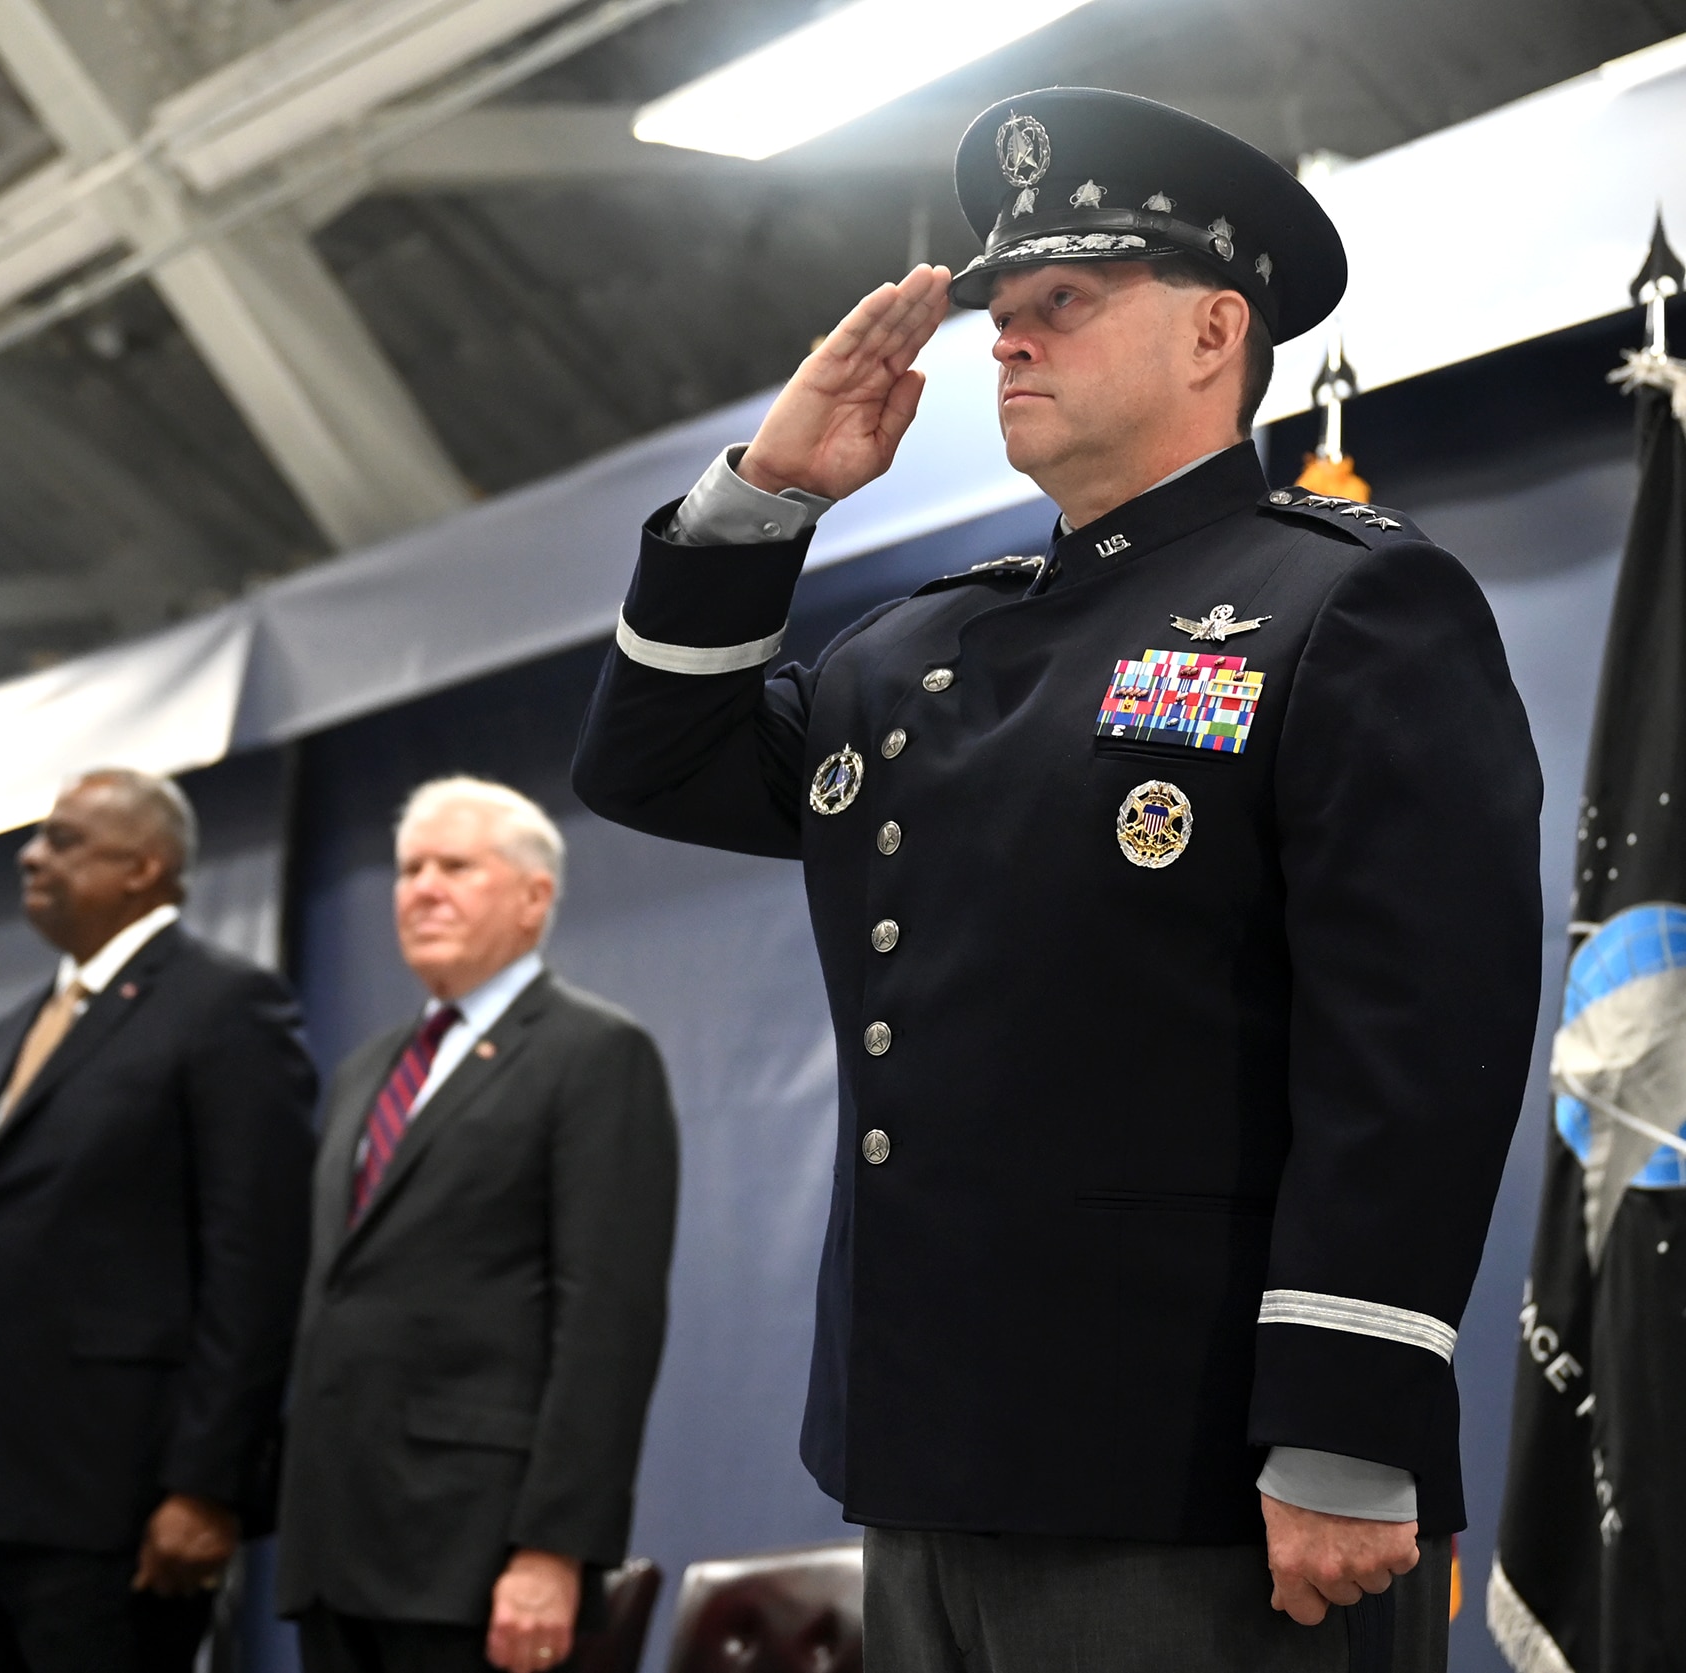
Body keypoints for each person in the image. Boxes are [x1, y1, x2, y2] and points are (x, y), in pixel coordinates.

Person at [572, 87, 1542, 1673]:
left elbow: (1416, 1046)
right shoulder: (917, 648)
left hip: (1201, 1474)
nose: (1005, 342)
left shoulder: (1343, 610)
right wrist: (772, 490)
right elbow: (646, 763)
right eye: (999, 314)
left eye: (1061, 305)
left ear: (1216, 329)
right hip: (927, 1461)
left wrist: (1348, 1430)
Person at [0, 767, 318, 1673]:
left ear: (144, 867)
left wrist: (207, 1484)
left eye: (63, 839)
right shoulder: (16, 1027)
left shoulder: (225, 1006)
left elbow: (257, 1259)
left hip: (115, 1508)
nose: (31, 855)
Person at [275, 777, 679, 1673]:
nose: (421, 887)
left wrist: (551, 1551)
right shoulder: (364, 1072)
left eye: (455, 865)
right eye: (409, 867)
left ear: (536, 896)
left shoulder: (594, 1053)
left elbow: (606, 1321)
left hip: (477, 1553)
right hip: (336, 1554)